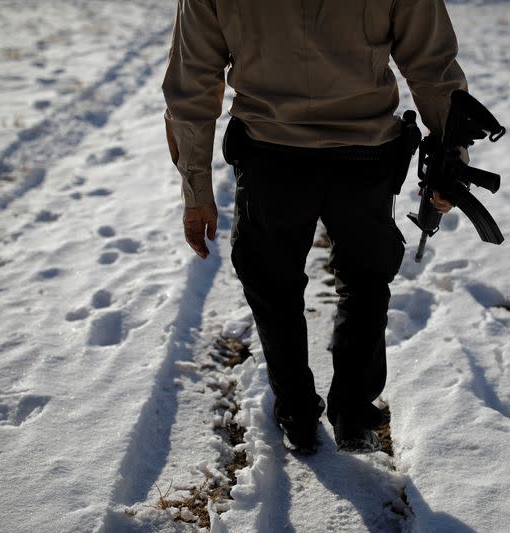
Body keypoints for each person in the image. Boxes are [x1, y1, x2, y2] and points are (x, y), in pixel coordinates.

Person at [162, 0, 466, 453]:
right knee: (364, 280)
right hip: (363, 155)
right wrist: (452, 160)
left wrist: (196, 189)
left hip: (272, 156)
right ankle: (352, 413)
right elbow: (433, 67)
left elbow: (193, 80)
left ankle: (297, 414)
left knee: (273, 285)